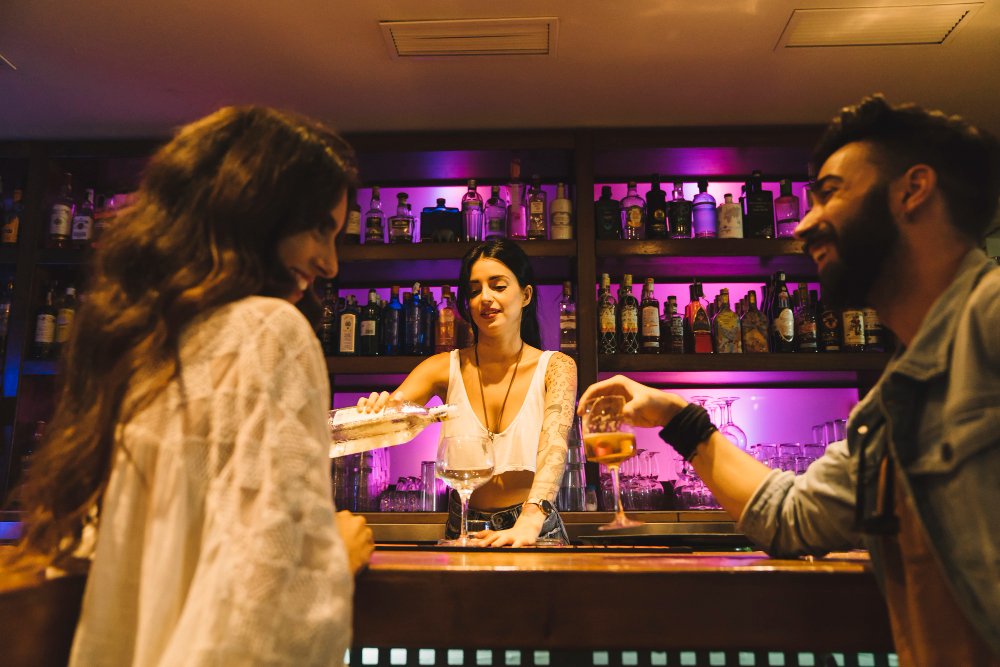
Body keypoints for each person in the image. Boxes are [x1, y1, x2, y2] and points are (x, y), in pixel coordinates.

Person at [579, 95, 1000, 666]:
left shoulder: (989, 321)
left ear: (913, 190)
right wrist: (678, 419)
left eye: (830, 192)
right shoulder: (888, 411)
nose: (802, 224)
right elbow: (791, 517)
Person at [4, 106, 374, 666]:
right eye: (319, 228)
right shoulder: (269, 331)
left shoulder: (137, 345)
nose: (330, 264)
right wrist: (332, 560)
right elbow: (265, 600)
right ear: (254, 208)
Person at [359, 239, 577, 547]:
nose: (485, 298)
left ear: (526, 295)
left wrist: (530, 520)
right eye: (474, 291)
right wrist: (376, 409)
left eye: (498, 286)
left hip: (534, 527)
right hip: (463, 526)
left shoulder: (556, 367)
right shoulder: (441, 368)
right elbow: (392, 416)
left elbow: (555, 447)